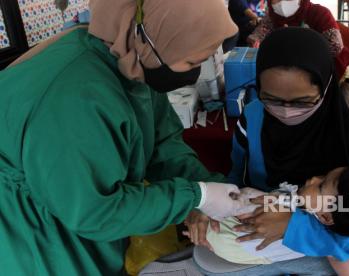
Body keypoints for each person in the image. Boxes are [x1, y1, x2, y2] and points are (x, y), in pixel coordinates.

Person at [0, 0, 257, 275]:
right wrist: (196, 196)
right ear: (147, 38)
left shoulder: (130, 60)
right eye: (193, 61)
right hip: (35, 232)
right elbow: (95, 211)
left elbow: (162, 143)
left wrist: (212, 188)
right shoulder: (74, 96)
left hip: (80, 209)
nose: (196, 73)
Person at [185, 27, 349, 276]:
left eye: (303, 101)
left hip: (316, 248)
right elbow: (236, 176)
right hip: (253, 225)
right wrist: (209, 206)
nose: (286, 111)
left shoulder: (347, 144)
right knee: (204, 258)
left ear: (325, 88)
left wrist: (294, 227)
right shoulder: (253, 119)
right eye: (270, 98)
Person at [198, 166, 349, 276]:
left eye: (321, 185)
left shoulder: (323, 236)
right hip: (222, 237)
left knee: (252, 199)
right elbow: (340, 257)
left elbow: (339, 256)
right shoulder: (321, 216)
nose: (313, 178)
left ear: (325, 217)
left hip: (229, 242)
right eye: (323, 176)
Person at [247, 0, 349, 77]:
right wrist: (255, 41)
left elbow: (335, 48)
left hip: (332, 71)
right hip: (290, 73)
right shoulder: (273, 17)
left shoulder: (319, 13)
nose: (280, 2)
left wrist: (298, 43)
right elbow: (258, 35)